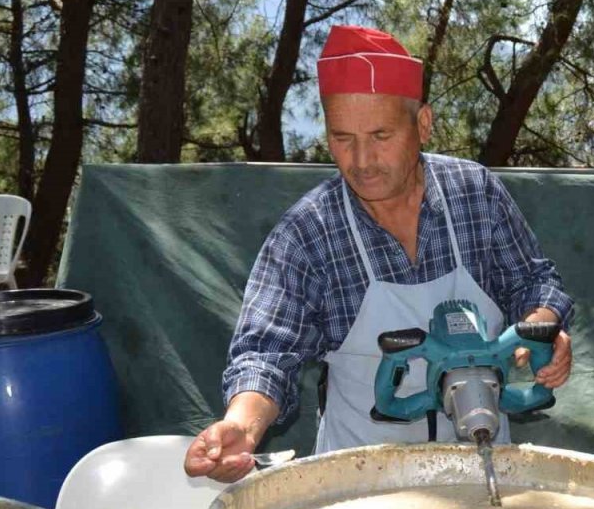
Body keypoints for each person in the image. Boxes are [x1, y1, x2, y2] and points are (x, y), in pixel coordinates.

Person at [185, 25, 574, 483]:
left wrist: (543, 330)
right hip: (361, 488)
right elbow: (267, 354)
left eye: (381, 135)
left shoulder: (476, 194)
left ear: (422, 124)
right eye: (343, 138)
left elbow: (534, 282)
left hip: (484, 472)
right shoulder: (308, 234)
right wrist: (241, 427)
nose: (362, 160)